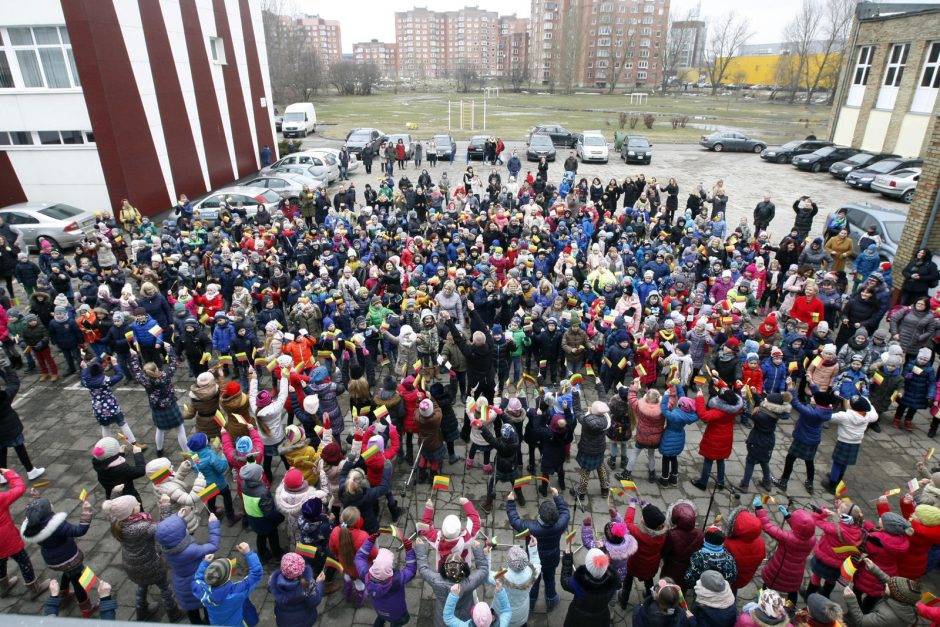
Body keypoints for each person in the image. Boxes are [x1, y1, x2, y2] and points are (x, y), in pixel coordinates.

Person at [102, 494, 184, 621]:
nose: (139, 504)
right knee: (165, 589)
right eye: (135, 504)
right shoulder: (141, 527)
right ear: (130, 513)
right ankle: (174, 613)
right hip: (151, 566)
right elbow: (163, 528)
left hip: (132, 566)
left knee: (142, 586)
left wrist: (115, 494)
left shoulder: (116, 520)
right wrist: (165, 507)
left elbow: (113, 509)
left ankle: (142, 611)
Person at [507, 486, 568, 611]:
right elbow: (565, 512)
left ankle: (531, 603)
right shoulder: (560, 524)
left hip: (534, 561)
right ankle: (551, 599)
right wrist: (557, 497)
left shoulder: (530, 527)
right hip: (552, 559)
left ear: (540, 514)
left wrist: (510, 502)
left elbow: (514, 520)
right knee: (550, 579)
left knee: (533, 582)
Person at [192, 542, 263, 627]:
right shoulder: (237, 592)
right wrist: (248, 553)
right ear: (227, 577)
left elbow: (197, 580)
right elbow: (256, 574)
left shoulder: (203, 591)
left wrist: (204, 563)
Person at [356, 533, 416, 627]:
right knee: (397, 622)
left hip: (379, 609)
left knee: (381, 617)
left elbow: (359, 558)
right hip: (397, 612)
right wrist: (409, 549)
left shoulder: (365, 575)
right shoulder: (397, 580)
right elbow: (411, 570)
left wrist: (370, 541)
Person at [560, 547, 620, 625]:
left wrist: (567, 560)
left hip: (578, 619)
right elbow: (604, 568)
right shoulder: (613, 582)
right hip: (601, 618)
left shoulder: (578, 584)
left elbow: (565, 581)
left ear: (587, 566)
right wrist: (601, 553)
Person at [267, 552, 325, 627]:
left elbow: (269, 588)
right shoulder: (307, 585)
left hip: (283, 619)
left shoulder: (273, 580)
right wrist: (319, 583)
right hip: (303, 620)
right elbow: (314, 601)